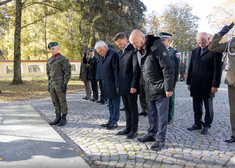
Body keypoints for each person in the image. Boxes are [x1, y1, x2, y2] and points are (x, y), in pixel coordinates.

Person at [129, 30, 174, 151]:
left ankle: (160, 139)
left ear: (143, 38)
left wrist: (169, 88)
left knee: (161, 116)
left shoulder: (157, 46)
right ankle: (151, 134)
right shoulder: (139, 50)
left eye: (135, 43)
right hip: (149, 88)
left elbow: (168, 67)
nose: (134, 46)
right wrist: (134, 85)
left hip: (161, 87)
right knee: (151, 114)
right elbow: (137, 70)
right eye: (132, 44)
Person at [187, 32, 223, 135]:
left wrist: (215, 85)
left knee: (208, 106)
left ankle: (207, 125)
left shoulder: (215, 51)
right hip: (195, 82)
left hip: (208, 84)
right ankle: (197, 123)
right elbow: (191, 67)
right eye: (199, 42)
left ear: (208, 39)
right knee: (196, 105)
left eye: (203, 42)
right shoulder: (195, 51)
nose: (201, 44)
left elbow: (218, 70)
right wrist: (189, 82)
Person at [208, 22, 235, 142]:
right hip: (233, 81)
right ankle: (234, 134)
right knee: (234, 110)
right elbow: (212, 47)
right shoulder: (231, 42)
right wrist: (221, 33)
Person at [114, 32, 140, 139]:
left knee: (133, 108)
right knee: (127, 108)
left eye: (120, 43)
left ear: (125, 40)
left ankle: (134, 130)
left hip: (131, 86)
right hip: (123, 85)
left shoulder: (133, 50)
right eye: (118, 45)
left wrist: (134, 85)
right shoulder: (122, 51)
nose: (119, 46)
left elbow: (135, 69)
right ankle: (128, 128)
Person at [95, 40, 120, 130]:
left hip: (114, 83)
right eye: (98, 52)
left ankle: (115, 121)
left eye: (101, 51)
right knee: (110, 104)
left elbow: (117, 72)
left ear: (105, 47)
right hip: (106, 83)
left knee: (115, 103)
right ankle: (110, 119)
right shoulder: (101, 55)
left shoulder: (114, 54)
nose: (100, 53)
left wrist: (117, 86)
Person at [46, 42, 71, 126]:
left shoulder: (63, 59)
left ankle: (63, 118)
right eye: (50, 49)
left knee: (62, 101)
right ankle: (58, 117)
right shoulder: (49, 60)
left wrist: (65, 84)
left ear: (58, 49)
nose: (51, 50)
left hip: (60, 84)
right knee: (55, 101)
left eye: (53, 48)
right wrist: (49, 84)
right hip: (52, 84)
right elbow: (48, 73)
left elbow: (67, 72)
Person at [160, 32, 180, 124]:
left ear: (169, 40)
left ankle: (169, 117)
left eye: (163, 40)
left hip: (170, 80)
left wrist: (174, 80)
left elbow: (176, 67)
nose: (161, 42)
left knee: (170, 99)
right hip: (161, 80)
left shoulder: (174, 51)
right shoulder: (159, 50)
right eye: (161, 40)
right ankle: (162, 116)